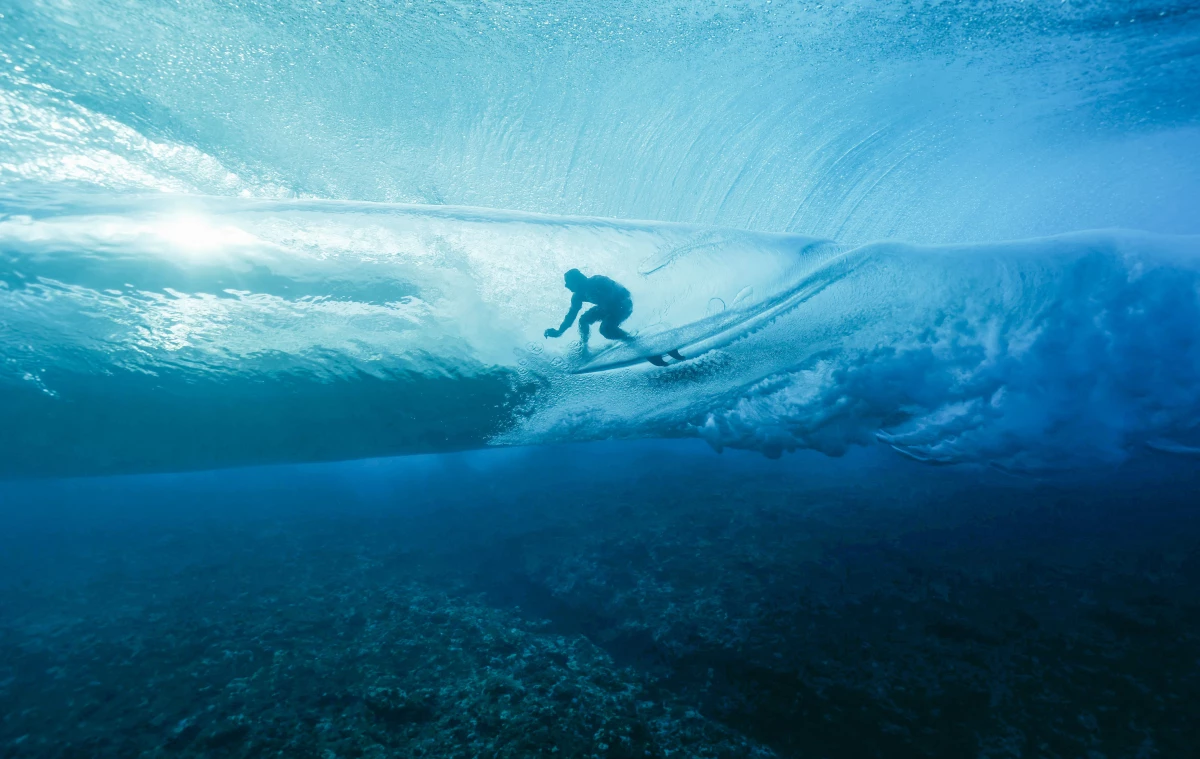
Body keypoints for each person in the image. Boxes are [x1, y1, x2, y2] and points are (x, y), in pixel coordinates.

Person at [544, 269, 634, 349]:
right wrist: (559, 331)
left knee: (605, 330)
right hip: (606, 308)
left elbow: (625, 293)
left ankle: (630, 340)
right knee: (583, 320)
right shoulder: (577, 296)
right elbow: (571, 315)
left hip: (623, 305)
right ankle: (584, 346)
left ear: (577, 281)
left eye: (568, 282)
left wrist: (606, 299)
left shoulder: (597, 280)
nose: (566, 285)